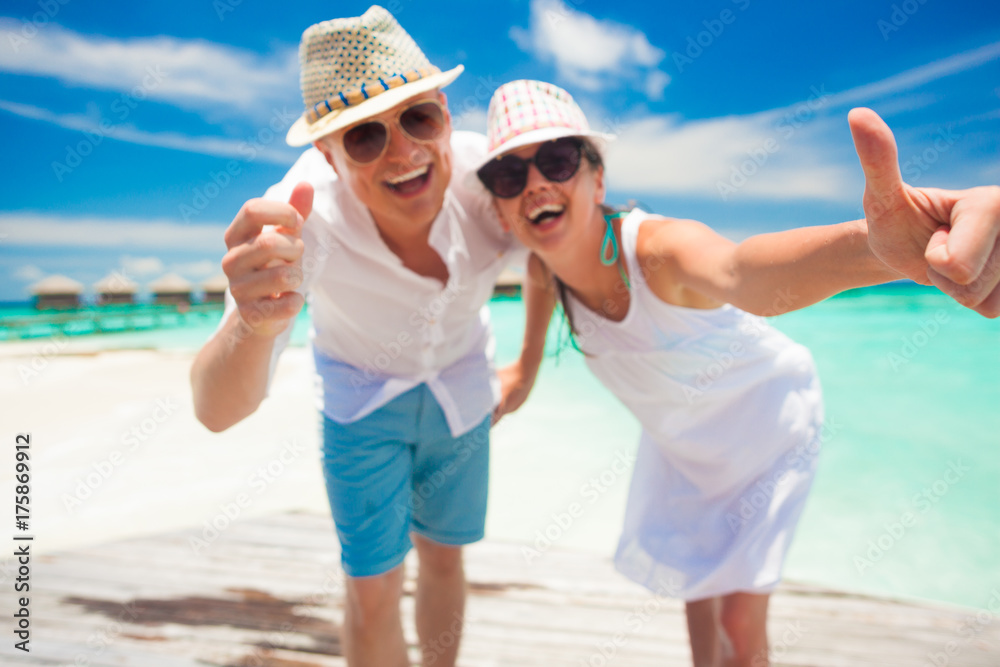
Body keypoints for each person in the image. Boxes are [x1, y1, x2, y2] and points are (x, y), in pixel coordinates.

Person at [478, 80, 1000, 667]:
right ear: (498, 206)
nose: (536, 184)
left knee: (737, 624)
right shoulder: (544, 279)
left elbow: (741, 274)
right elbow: (519, 377)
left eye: (556, 160)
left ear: (597, 180)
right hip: (683, 447)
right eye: (508, 176)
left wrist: (876, 250)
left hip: (766, 427)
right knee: (698, 608)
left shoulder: (656, 249)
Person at [190, 8, 525, 667]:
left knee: (444, 558)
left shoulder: (494, 177)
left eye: (418, 119)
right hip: (360, 401)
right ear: (328, 153)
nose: (402, 153)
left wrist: (529, 366)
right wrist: (256, 326)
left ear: (446, 112)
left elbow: (550, 260)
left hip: (462, 384)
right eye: (365, 137)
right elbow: (215, 410)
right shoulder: (301, 217)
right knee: (371, 588)